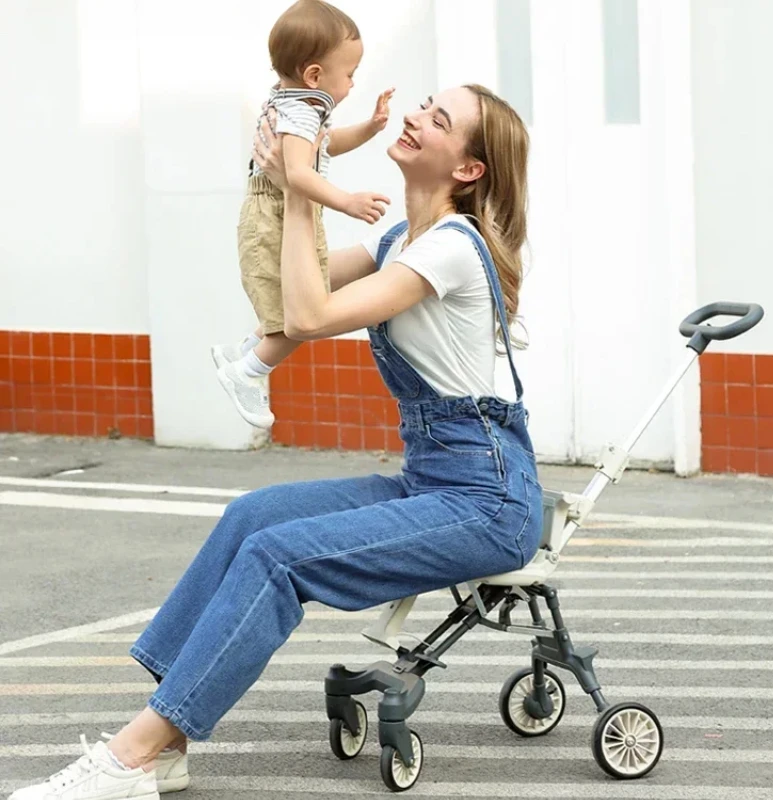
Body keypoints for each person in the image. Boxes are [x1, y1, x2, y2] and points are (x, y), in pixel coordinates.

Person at [8, 84, 543, 800]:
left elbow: (311, 314)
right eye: (424, 103)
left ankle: (134, 755)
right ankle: (167, 741)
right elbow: (283, 291)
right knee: (254, 517)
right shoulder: (398, 241)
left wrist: (303, 192)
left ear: (468, 170)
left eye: (438, 119)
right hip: (434, 479)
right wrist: (280, 180)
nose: (415, 116)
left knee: (278, 556)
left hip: (489, 499)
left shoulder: (448, 250)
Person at [213, 0, 394, 430]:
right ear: (315, 74)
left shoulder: (297, 103)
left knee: (288, 300)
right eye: (349, 74)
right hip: (277, 213)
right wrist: (346, 201)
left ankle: (239, 352)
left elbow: (324, 146)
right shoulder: (301, 110)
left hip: (278, 211)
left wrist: (369, 127)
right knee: (299, 315)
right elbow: (297, 172)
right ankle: (248, 372)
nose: (352, 83)